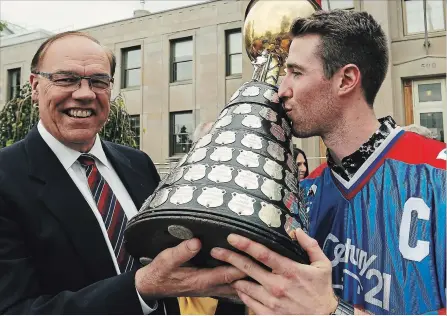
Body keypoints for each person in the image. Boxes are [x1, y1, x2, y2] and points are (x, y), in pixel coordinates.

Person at [210, 10, 446, 315]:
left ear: (346, 79)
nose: (282, 90)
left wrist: (332, 312)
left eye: (295, 72)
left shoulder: (436, 177)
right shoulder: (301, 195)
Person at [0, 31, 244, 314]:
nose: (84, 93)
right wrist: (139, 288)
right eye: (66, 79)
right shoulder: (7, 179)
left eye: (98, 81)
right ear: (34, 86)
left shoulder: (137, 163)